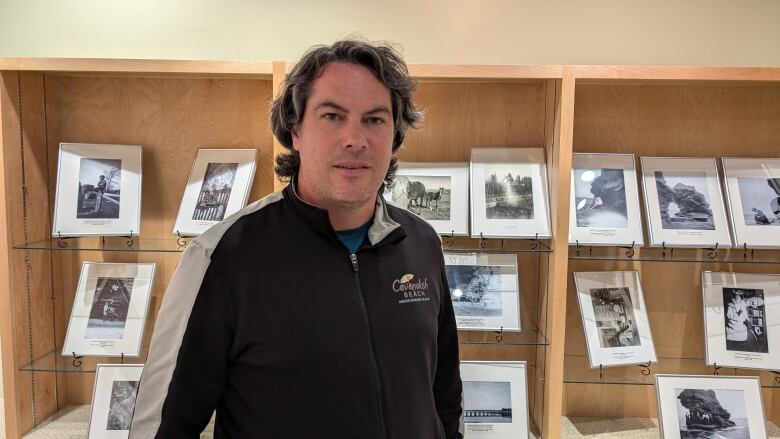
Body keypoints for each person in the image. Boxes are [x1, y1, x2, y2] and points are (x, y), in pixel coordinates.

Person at [129, 40, 463, 438]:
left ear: (394, 136)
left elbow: (444, 395)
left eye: (374, 120)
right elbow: (161, 428)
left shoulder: (422, 243)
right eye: (332, 116)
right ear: (296, 130)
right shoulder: (221, 257)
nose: (355, 139)